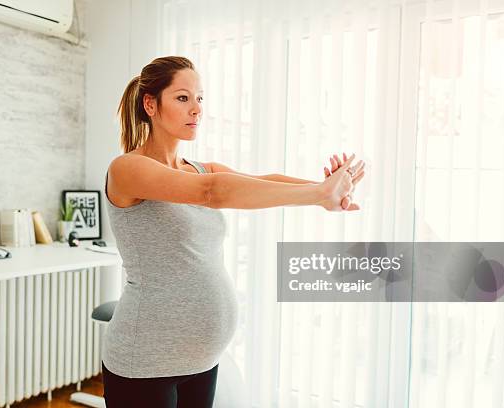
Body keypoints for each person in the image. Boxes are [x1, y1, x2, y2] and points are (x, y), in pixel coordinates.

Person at [102, 56, 365, 408]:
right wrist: (319, 193)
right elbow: (213, 192)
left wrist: (326, 188)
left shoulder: (199, 168)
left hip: (203, 360)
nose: (195, 109)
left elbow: (261, 181)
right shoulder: (127, 169)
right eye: (182, 98)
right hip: (146, 358)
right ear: (151, 103)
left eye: (200, 99)